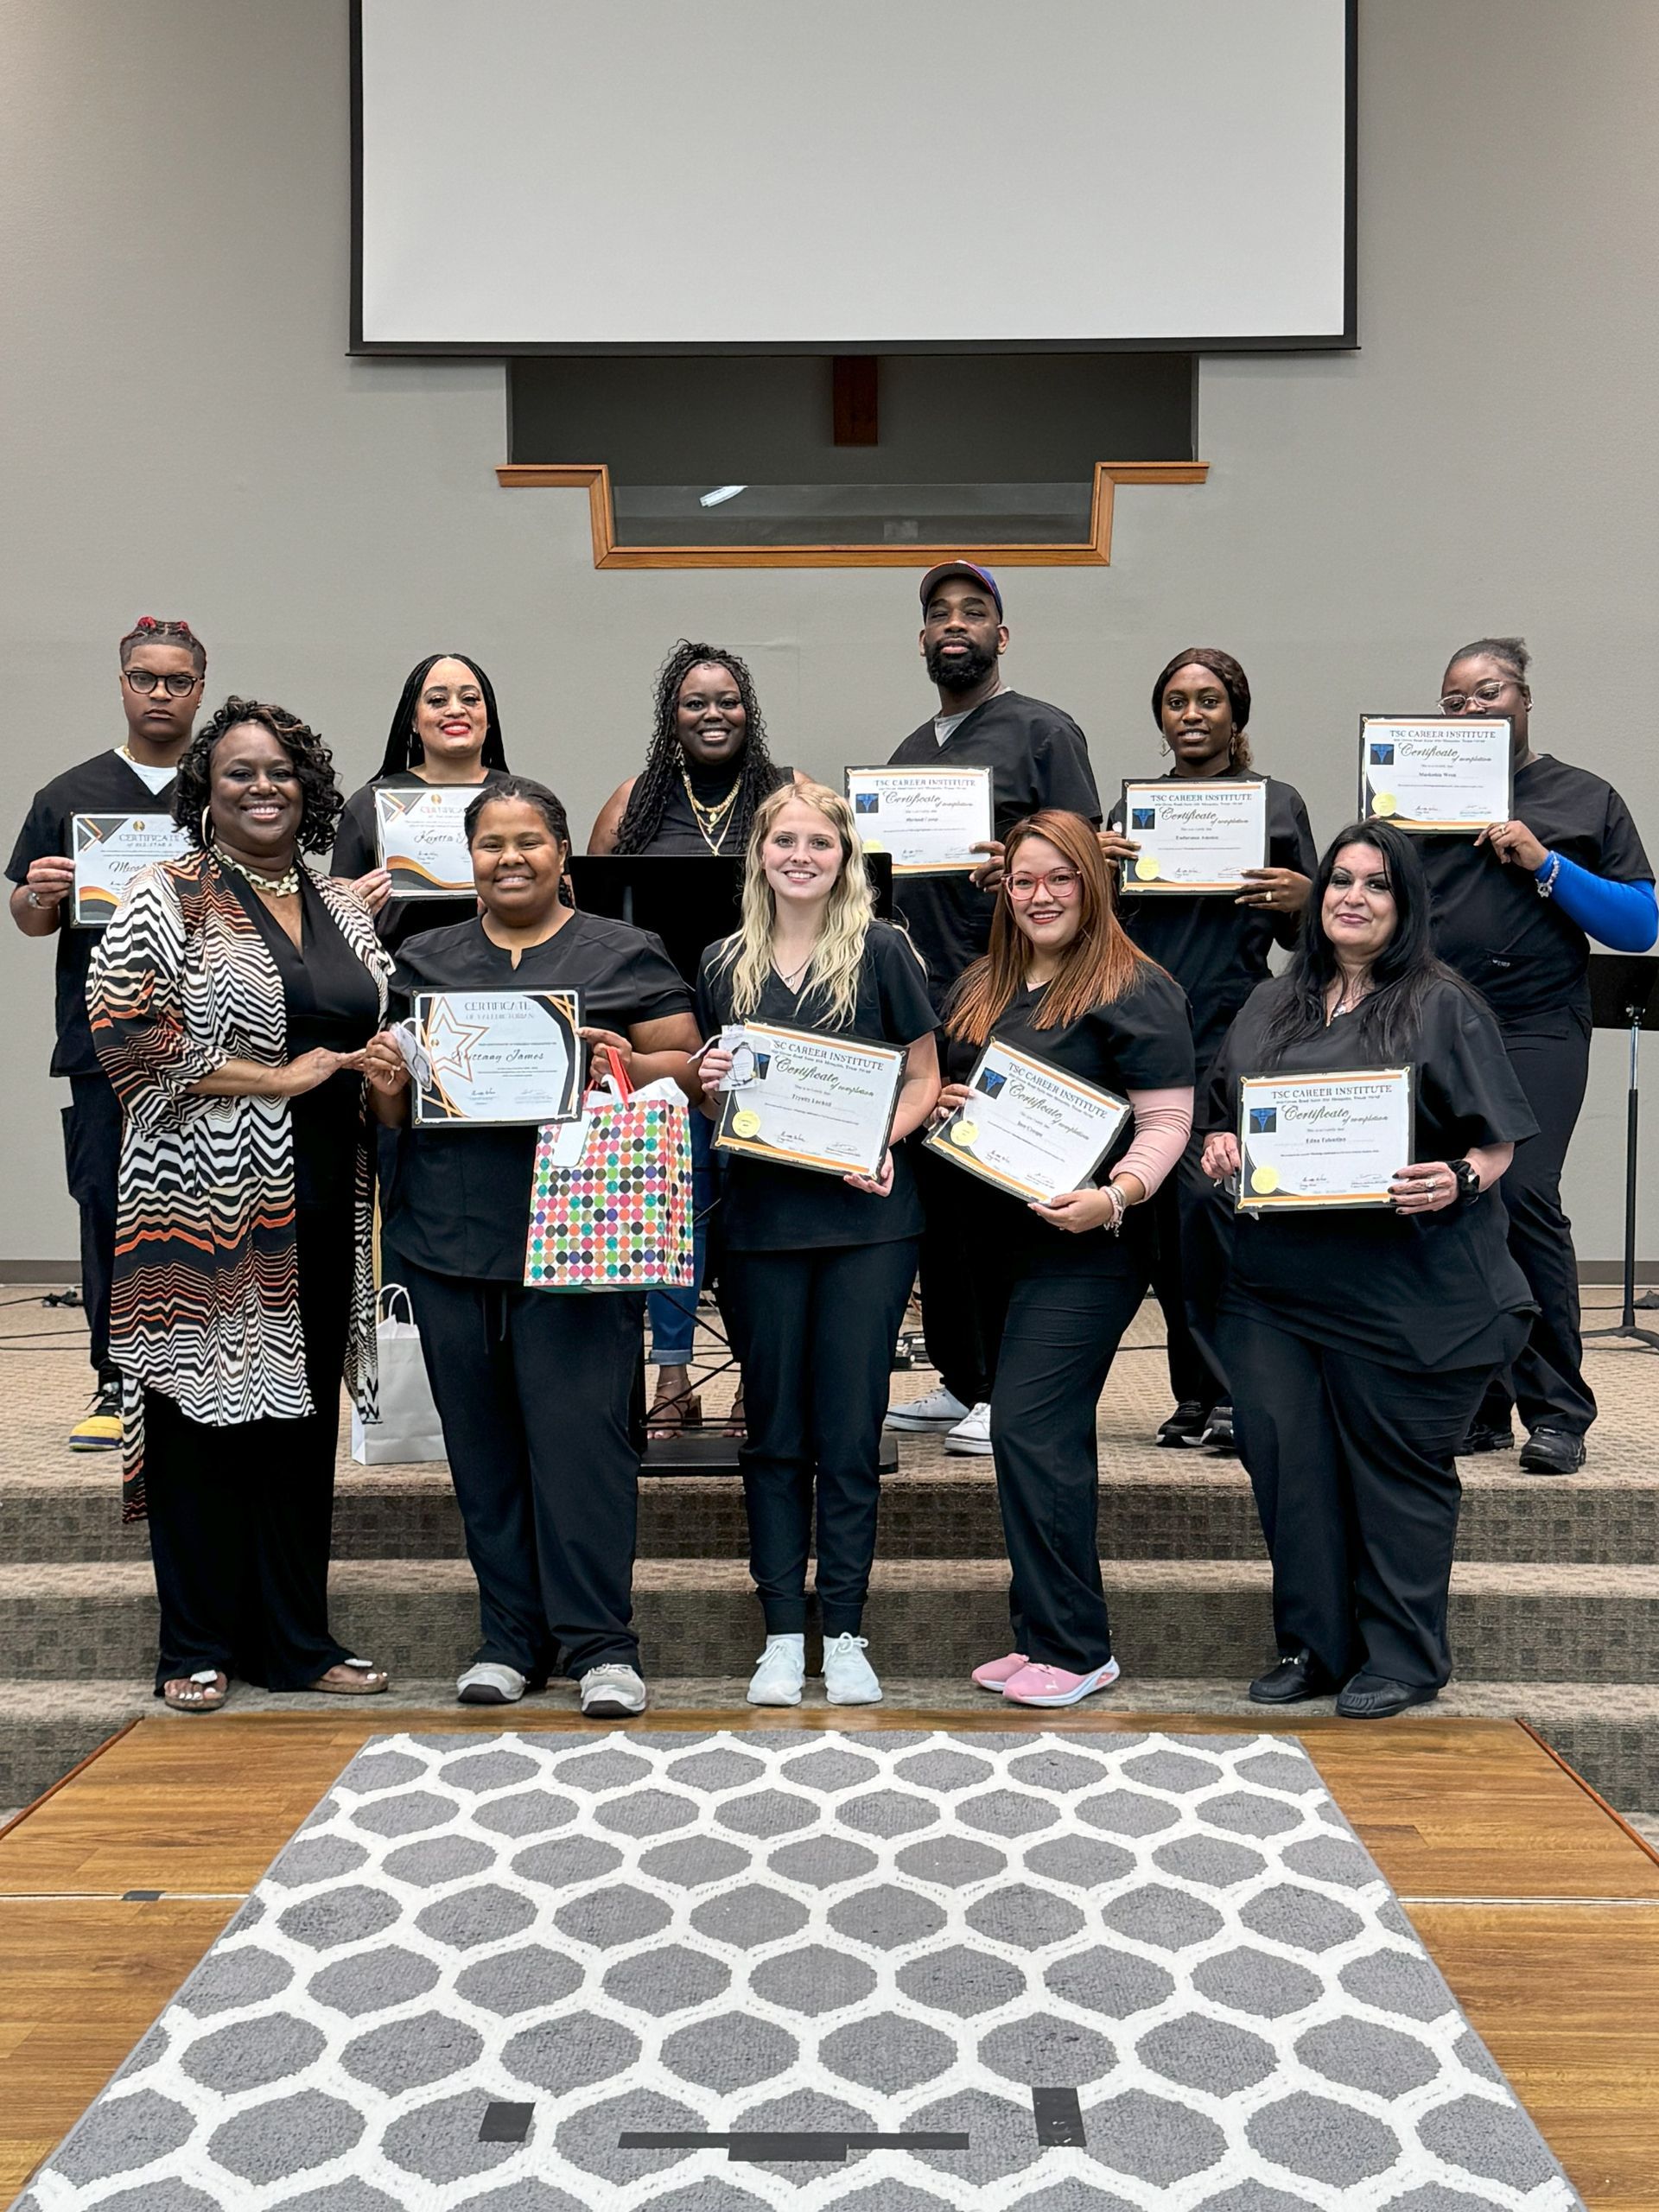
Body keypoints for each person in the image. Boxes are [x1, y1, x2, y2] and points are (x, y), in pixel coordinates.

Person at [369, 777, 702, 1718]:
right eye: (491, 844)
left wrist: (623, 1059)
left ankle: (603, 1644)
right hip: (447, 1238)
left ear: (562, 851)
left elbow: (688, 1065)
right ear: (467, 858)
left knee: (583, 1447)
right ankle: (509, 1639)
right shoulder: (424, 958)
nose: (510, 858)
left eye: (529, 841)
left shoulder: (624, 949)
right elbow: (390, 1108)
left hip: (580, 1238)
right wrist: (387, 1077)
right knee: (482, 1452)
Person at [87, 697, 393, 1713]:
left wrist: (383, 1064)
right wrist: (276, 1078)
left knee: (295, 1422)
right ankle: (195, 1643)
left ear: (306, 786)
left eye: (279, 772)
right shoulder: (164, 894)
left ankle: (296, 1641)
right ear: (205, 792)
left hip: (320, 1198)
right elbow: (124, 1036)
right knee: (201, 1425)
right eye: (239, 774)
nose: (263, 788)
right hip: (199, 1203)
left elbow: (374, 1015)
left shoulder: (343, 905)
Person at [1201, 823, 1538, 1718]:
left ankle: (1404, 1656)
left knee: (1394, 1474)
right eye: (1339, 880)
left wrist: (1459, 1176)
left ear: (1405, 906)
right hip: (1278, 1286)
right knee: (1288, 1468)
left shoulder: (1440, 1002)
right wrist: (1221, 1144)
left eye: (1377, 885)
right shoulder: (1272, 1002)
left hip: (1404, 1287)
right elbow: (1220, 1111)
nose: (1353, 895)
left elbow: (1497, 1142)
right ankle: (1316, 1646)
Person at [937, 810, 1193, 1707]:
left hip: (1088, 1248)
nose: (1040, 896)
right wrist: (948, 1107)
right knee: (1033, 1438)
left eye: (1061, 879)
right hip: (993, 1241)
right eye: (1024, 880)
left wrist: (1115, 1196)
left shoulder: (1135, 985)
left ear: (1093, 882)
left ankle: (1081, 1648)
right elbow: (957, 1098)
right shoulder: (984, 981)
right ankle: (1041, 1631)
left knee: (1028, 1429)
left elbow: (1167, 1121)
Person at [696, 783, 939, 1708]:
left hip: (868, 1225)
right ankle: (780, 1632)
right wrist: (708, 1081)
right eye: (784, 840)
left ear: (845, 858)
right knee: (774, 1433)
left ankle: (842, 1626)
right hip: (762, 1226)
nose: (802, 856)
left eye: (820, 843)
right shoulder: (724, 961)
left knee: (847, 1430)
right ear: (759, 852)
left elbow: (924, 1075)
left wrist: (884, 1140)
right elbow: (724, 1104)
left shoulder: (882, 950)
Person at [883, 563, 1101, 1459]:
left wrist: (1016, 862)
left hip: (1016, 997)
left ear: (1001, 637)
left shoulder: (1044, 731)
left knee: (1004, 1192)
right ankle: (963, 1374)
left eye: (975, 613)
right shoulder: (903, 759)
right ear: (923, 639)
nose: (956, 626)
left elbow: (1085, 859)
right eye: (940, 615)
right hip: (929, 1002)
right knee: (945, 1201)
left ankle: (1013, 1384)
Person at [1422, 637, 1655, 1473]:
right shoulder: (1416, 800)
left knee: (1517, 1189)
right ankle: (1479, 1404)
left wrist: (1544, 862)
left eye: (1487, 692)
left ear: (1524, 700)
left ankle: (1557, 1410)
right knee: (1445, 1203)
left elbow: (1637, 926)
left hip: (1536, 1026)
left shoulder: (1582, 796)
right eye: (1453, 699)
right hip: (1436, 1027)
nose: (1470, 709)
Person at [1105, 648, 1318, 1453]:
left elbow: (1318, 938)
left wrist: (1306, 896)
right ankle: (1193, 1395)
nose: (1192, 714)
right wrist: (1096, 868)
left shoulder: (1277, 804)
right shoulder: (1127, 813)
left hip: (1236, 1028)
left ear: (1238, 714)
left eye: (1209, 701)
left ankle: (1234, 1391)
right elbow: (1091, 928)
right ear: (1160, 718)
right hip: (1142, 1030)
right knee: (1164, 1224)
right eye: (1176, 702)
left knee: (1216, 1211)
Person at [589, 641, 798, 1441]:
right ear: (670, 718)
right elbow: (602, 919)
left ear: (749, 710)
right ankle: (671, 1374)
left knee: (754, 1205)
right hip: (664, 1027)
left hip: (771, 1025)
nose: (713, 715)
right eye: (694, 702)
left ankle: (756, 1373)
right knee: (675, 1203)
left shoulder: (788, 794)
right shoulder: (633, 801)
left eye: (728, 700)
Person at [9, 619, 207, 1451]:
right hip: (103, 1045)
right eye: (143, 677)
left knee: (215, 1209)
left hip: (218, 1045)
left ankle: (204, 1374)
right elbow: (24, 916)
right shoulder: (68, 795)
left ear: (200, 687)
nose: (159, 693)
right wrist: (42, 895)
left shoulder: (228, 785)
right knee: (108, 1208)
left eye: (176, 680)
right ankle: (114, 1377)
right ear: (121, 683)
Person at [332, 652, 510, 954]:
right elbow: (334, 917)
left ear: (488, 717)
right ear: (413, 720)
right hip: (399, 976)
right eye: (437, 701)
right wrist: (352, 910)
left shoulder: (527, 802)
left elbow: (564, 902)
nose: (456, 710)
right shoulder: (368, 805)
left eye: (470, 699)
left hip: (509, 971)